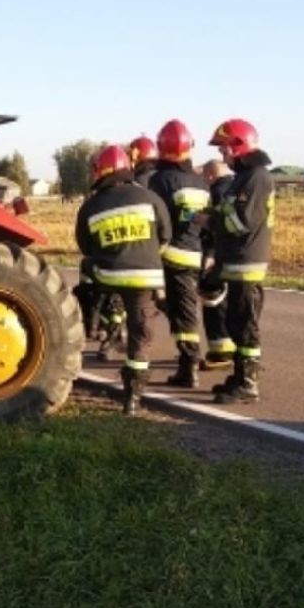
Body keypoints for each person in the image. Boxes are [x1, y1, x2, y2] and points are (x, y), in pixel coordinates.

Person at [76, 146, 171, 414]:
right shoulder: (150, 198)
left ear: (100, 171)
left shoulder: (91, 205)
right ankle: (133, 398)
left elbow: (86, 247)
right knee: (141, 337)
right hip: (144, 278)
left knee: (90, 281)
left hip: (108, 276)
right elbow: (165, 235)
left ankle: (97, 325)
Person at [207, 119, 275, 403]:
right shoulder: (242, 178)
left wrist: (211, 222)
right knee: (235, 322)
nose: (222, 155)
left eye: (224, 149)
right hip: (235, 263)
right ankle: (239, 375)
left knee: (245, 325)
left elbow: (239, 222)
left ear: (239, 145)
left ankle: (248, 383)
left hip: (247, 263)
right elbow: (227, 211)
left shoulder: (257, 177)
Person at [147, 120, 211, 388]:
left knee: (180, 311)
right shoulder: (200, 182)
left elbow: (155, 219)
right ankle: (188, 360)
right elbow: (206, 220)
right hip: (195, 254)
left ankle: (189, 366)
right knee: (184, 309)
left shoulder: (159, 180)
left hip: (169, 254)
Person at [199, 159, 236, 369]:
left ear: (210, 175)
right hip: (236, 256)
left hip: (217, 256)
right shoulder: (236, 186)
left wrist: (210, 253)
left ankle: (220, 352)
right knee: (231, 304)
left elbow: (217, 224)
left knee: (214, 302)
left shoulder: (217, 192)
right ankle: (230, 349)